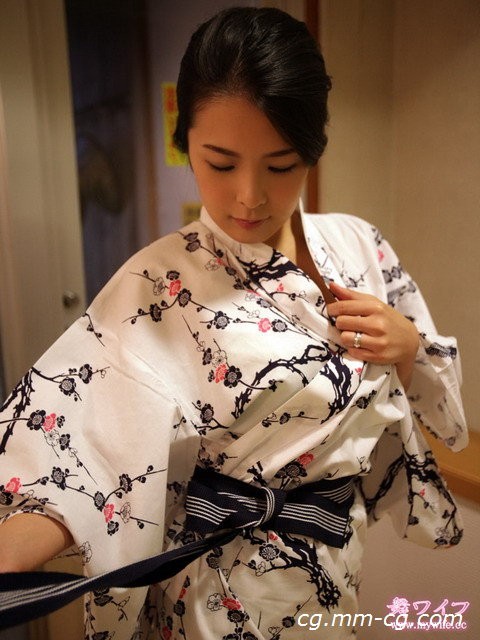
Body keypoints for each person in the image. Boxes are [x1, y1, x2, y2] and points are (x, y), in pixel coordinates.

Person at [0, 6, 467, 640]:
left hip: (332, 571)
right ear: (184, 142)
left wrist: (408, 348)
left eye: (281, 164)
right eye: (221, 163)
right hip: (214, 594)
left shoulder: (358, 246)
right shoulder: (155, 285)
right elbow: (84, 454)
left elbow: (415, 414)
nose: (249, 195)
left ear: (312, 150)